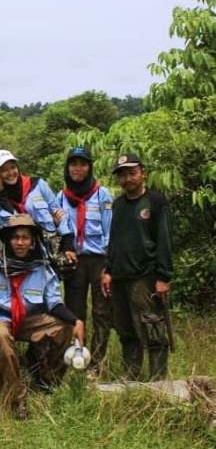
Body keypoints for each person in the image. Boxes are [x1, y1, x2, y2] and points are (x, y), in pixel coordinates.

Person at [0, 214, 84, 416]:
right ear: (8, 240)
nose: (20, 242)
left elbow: (54, 303)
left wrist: (75, 321)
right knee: (1, 337)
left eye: (25, 238)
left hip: (26, 319)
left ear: (33, 242)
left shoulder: (43, 268)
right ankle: (16, 397)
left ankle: (47, 380)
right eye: (15, 238)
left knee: (64, 328)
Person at [102, 153, 173, 380]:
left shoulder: (155, 201)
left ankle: (158, 378)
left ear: (143, 173)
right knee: (125, 330)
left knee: (151, 326)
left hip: (146, 276)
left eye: (132, 173)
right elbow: (114, 240)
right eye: (122, 175)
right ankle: (131, 374)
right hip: (120, 276)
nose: (127, 179)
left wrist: (163, 276)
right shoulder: (119, 205)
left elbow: (164, 240)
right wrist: (108, 270)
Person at [56, 146, 113, 376]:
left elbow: (110, 232)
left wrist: (109, 265)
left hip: (99, 259)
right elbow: (59, 230)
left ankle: (98, 363)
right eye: (73, 164)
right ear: (67, 168)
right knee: (74, 310)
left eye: (82, 164)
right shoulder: (61, 197)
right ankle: (77, 356)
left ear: (90, 167)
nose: (77, 168)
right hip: (75, 261)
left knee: (102, 311)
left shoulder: (102, 195)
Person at [0, 149, 76, 266]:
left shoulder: (38, 184)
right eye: (4, 170)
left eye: (12, 167)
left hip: (48, 254)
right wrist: (1, 193)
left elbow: (60, 214)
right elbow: (14, 222)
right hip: (19, 258)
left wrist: (68, 245)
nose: (10, 173)